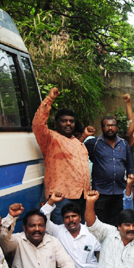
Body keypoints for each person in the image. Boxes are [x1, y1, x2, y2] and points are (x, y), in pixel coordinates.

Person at [32, 87, 90, 225]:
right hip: (60, 198)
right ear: (56, 124)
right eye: (64, 121)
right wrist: (49, 99)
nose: (68, 123)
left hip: (82, 196)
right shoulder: (51, 139)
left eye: (71, 121)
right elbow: (38, 124)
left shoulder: (77, 142)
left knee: (77, 234)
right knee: (61, 235)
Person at [40, 192, 100, 268]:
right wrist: (51, 201)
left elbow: (106, 249)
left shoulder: (91, 232)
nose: (71, 220)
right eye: (67, 217)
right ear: (63, 220)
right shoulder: (57, 231)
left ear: (80, 218)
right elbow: (42, 218)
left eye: (74, 216)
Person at [84, 116, 134, 225]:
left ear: (117, 127)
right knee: (99, 222)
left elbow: (129, 166)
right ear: (102, 128)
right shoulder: (94, 143)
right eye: (107, 125)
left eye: (113, 125)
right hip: (101, 191)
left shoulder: (124, 144)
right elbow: (77, 150)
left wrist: (131, 186)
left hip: (119, 191)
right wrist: (84, 135)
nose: (110, 128)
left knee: (116, 222)